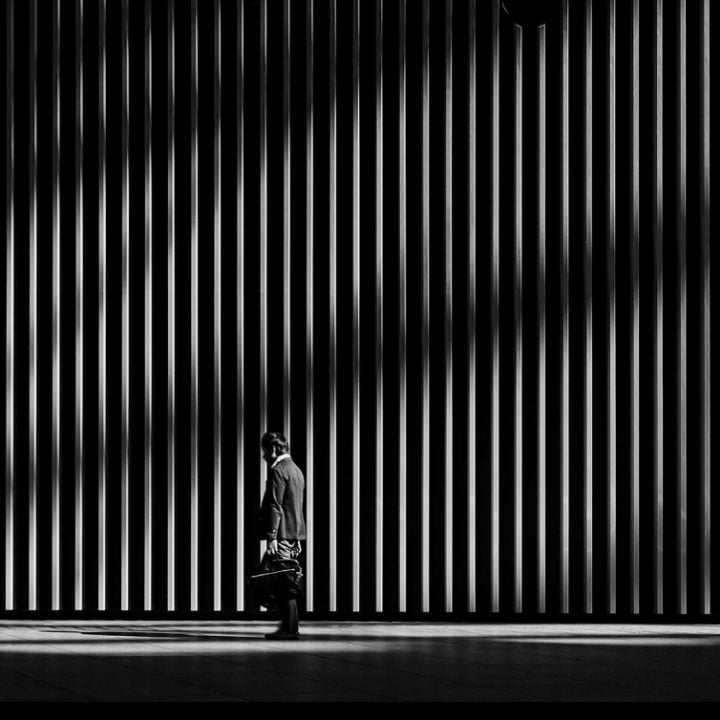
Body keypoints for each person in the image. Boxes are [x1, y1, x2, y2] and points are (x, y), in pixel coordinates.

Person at [258, 431, 306, 640]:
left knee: (285, 583)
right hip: (294, 534)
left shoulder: (278, 470)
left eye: (265, 451)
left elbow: (275, 506)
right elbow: (295, 507)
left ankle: (289, 629)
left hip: (282, 535)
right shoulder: (296, 470)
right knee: (288, 580)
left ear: (274, 448)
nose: (264, 456)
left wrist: (271, 537)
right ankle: (289, 627)